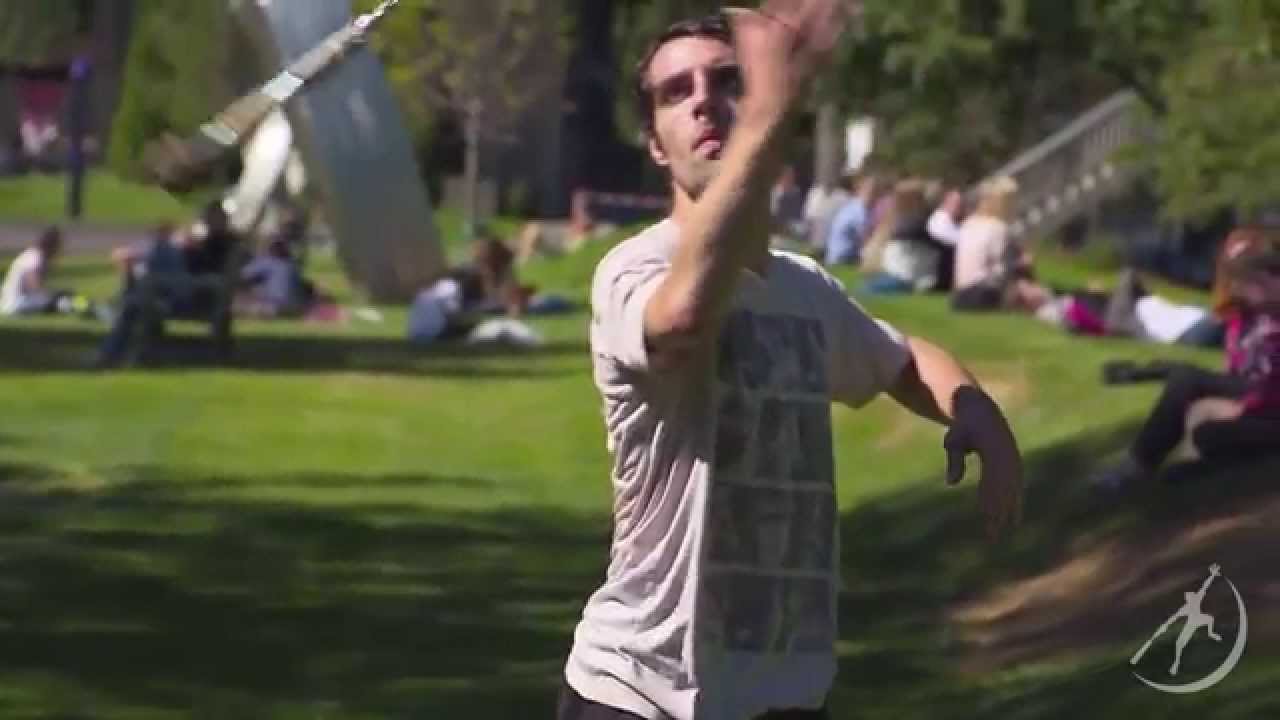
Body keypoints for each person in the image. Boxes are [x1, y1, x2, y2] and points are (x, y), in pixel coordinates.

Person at [561, 6, 1025, 719]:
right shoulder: (634, 270)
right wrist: (766, 115)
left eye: (726, 80)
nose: (703, 101)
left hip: (785, 697)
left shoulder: (804, 290)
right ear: (655, 142)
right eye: (674, 92)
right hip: (643, 692)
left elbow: (900, 358)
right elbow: (683, 319)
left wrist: (977, 412)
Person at [1090, 231, 1280, 490]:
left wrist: (1249, 405)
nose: (1242, 285)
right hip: (1255, 391)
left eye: (1254, 276)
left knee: (1188, 380)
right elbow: (1238, 368)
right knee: (1203, 430)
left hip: (1266, 399)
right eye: (1239, 277)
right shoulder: (1243, 317)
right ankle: (1169, 469)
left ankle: (1137, 465)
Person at [951, 176, 1026, 310]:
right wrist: (1021, 263)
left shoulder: (969, 223)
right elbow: (1003, 268)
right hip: (983, 294)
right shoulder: (998, 227)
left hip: (960, 294)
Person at [0, 226, 72, 316]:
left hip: (12, 302)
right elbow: (34, 284)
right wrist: (52, 294)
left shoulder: (33, 255)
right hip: (17, 303)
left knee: (59, 297)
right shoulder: (36, 257)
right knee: (61, 301)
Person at [822, 173, 876, 266]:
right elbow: (865, 239)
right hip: (843, 257)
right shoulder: (859, 209)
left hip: (834, 255)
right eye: (871, 190)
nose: (874, 194)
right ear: (861, 190)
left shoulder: (852, 205)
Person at [926, 188, 965, 291]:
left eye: (961, 204)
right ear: (945, 203)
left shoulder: (956, 221)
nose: (959, 207)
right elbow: (954, 240)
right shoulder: (940, 219)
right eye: (956, 203)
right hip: (941, 269)